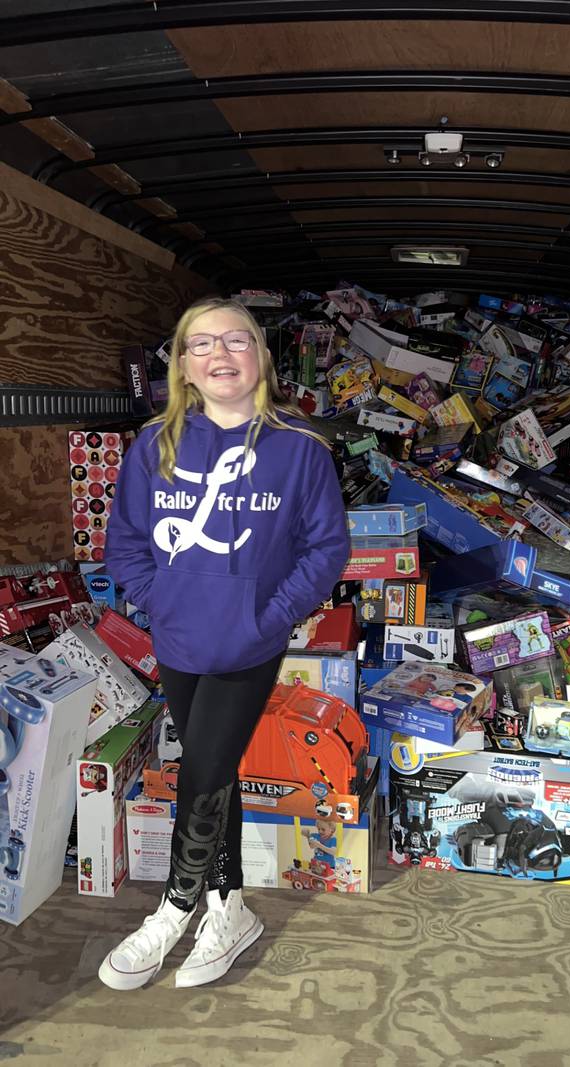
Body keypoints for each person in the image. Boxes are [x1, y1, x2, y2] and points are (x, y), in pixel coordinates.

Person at [98, 297, 350, 991]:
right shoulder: (154, 445)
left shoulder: (300, 448)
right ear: (183, 365)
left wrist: (272, 615)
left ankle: (174, 909)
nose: (221, 354)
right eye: (202, 343)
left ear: (260, 357)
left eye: (237, 340)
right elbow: (125, 542)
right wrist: (163, 601)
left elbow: (326, 549)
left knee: (203, 774)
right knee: (219, 768)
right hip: (179, 636)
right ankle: (229, 908)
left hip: (249, 639)